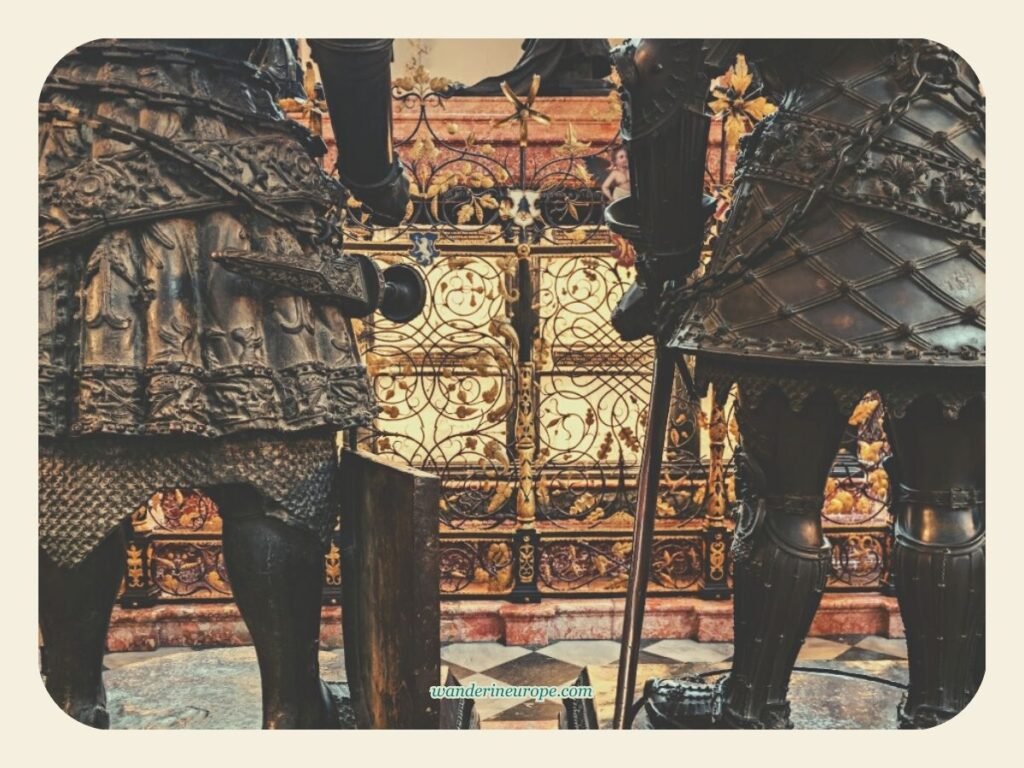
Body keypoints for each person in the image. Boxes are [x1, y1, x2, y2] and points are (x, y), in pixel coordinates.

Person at [610, 38, 984, 729]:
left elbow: (665, 59)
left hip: (803, 219)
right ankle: (947, 715)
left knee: (780, 499)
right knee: (949, 502)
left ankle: (751, 706)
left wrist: (661, 263)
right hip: (967, 215)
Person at [38, 38, 409, 729]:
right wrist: (374, 174)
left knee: (71, 459)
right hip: (234, 166)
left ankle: (70, 702)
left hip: (69, 154)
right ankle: (292, 709)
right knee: (269, 465)